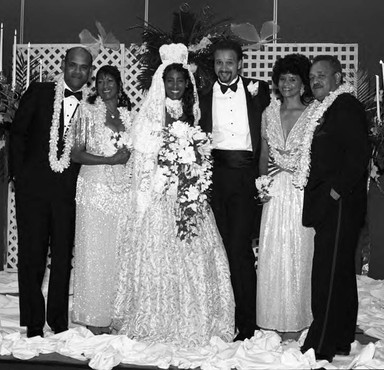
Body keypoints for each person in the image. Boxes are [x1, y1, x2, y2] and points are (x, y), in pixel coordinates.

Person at [113, 43, 235, 347]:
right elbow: (141, 160)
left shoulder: (192, 114)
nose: (176, 86)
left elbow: (201, 152)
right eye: (171, 81)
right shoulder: (148, 117)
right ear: (161, 82)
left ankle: (197, 317)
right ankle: (156, 319)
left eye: (181, 81)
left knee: (195, 254)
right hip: (159, 193)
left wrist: (192, 169)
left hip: (188, 194)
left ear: (187, 84)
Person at [9, 47, 93, 338]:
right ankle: (33, 323)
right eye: (73, 66)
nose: (77, 72)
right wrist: (18, 176)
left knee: (61, 258)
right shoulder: (40, 91)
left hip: (68, 193)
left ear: (89, 72)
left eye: (84, 68)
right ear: (63, 65)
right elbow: (18, 133)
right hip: (32, 189)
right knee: (32, 256)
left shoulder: (92, 106)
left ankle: (58, 321)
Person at [199, 39, 271, 341]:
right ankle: (223, 316)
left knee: (240, 249)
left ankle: (248, 321)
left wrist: (264, 176)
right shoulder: (203, 95)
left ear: (240, 64)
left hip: (245, 177)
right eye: (219, 63)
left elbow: (271, 132)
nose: (224, 68)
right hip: (215, 178)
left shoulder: (259, 90)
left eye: (229, 62)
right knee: (220, 250)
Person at [300, 55, 370, 362]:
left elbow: (359, 154)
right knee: (340, 273)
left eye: (322, 75)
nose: (315, 80)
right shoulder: (324, 108)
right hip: (330, 204)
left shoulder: (345, 107)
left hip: (340, 204)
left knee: (327, 273)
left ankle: (322, 342)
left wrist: (335, 192)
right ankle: (341, 337)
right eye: (312, 76)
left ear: (338, 77)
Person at [256, 54, 315, 336]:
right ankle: (271, 319)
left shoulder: (314, 113)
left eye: (293, 79)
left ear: (303, 83)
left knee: (300, 254)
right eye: (283, 78)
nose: (287, 84)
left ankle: (299, 319)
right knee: (272, 253)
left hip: (302, 190)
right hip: (275, 190)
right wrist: (262, 185)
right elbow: (264, 154)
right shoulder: (269, 113)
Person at [71, 65, 132, 334]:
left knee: (117, 253)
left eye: (110, 81)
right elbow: (76, 153)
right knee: (94, 251)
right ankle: (94, 316)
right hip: (94, 189)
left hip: (122, 190)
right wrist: (109, 160)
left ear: (119, 84)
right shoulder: (86, 112)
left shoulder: (129, 116)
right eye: (101, 81)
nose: (105, 85)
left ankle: (115, 314)